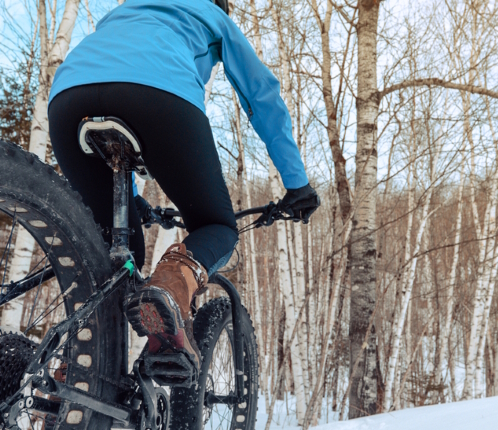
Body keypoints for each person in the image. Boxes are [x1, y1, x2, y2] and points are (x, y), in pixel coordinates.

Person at [47, 0, 319, 381]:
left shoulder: (126, 10)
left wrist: (132, 196)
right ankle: (170, 290)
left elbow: (110, 91)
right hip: (157, 92)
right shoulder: (211, 14)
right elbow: (261, 94)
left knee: (117, 255)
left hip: (67, 97)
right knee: (216, 228)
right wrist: (297, 183)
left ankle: (74, 373)